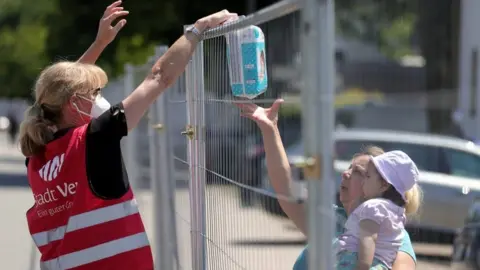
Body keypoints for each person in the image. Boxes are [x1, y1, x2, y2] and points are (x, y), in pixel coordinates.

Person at [19, 1, 238, 268]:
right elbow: (159, 78)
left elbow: (56, 93)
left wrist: (99, 44)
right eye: (95, 92)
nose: (100, 98)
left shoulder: (36, 156)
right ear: (75, 104)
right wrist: (198, 28)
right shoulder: (95, 137)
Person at [235, 99, 418, 270]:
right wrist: (270, 128)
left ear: (382, 187)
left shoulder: (395, 237)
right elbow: (284, 186)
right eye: (349, 167)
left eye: (359, 173)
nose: (345, 173)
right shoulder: (328, 218)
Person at [335, 150, 421, 269]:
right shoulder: (396, 212)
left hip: (353, 261)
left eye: (368, 176)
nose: (364, 180)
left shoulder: (373, 207)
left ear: (384, 185)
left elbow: (369, 238)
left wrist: (362, 266)